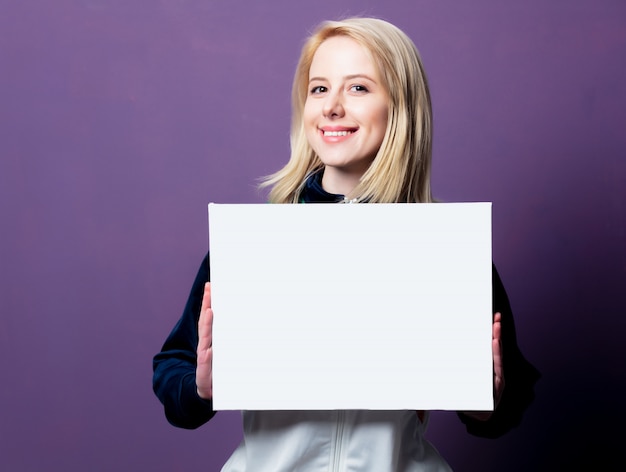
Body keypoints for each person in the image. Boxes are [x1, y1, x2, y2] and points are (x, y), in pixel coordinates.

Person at [153, 17, 540, 471]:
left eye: (357, 88)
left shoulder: (445, 248)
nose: (332, 107)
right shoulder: (256, 245)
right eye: (319, 89)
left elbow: (505, 402)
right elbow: (174, 372)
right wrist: (201, 389)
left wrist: (487, 402)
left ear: (400, 106)